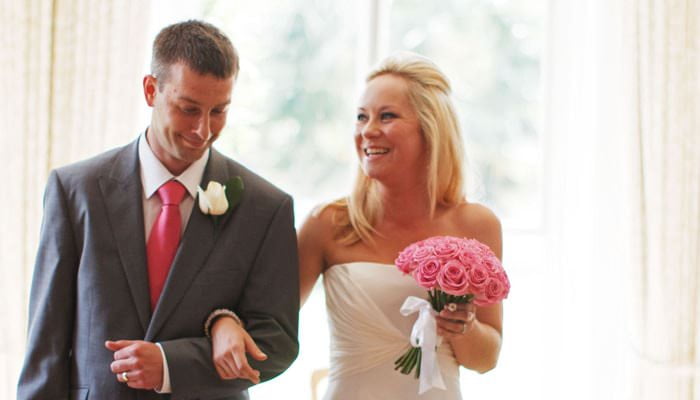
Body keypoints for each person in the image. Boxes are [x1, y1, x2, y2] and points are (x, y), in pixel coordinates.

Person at [17, 20, 299, 400]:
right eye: (188, 109)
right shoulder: (76, 191)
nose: (203, 129)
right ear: (151, 90)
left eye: (219, 111)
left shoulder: (265, 207)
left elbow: (276, 342)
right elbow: (46, 345)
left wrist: (170, 364)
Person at [209, 52, 504, 399]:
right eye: (361, 117)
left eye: (387, 116)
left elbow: (486, 359)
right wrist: (223, 321)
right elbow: (265, 319)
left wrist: (462, 327)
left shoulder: (477, 224)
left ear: (430, 128)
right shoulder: (328, 224)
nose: (368, 131)